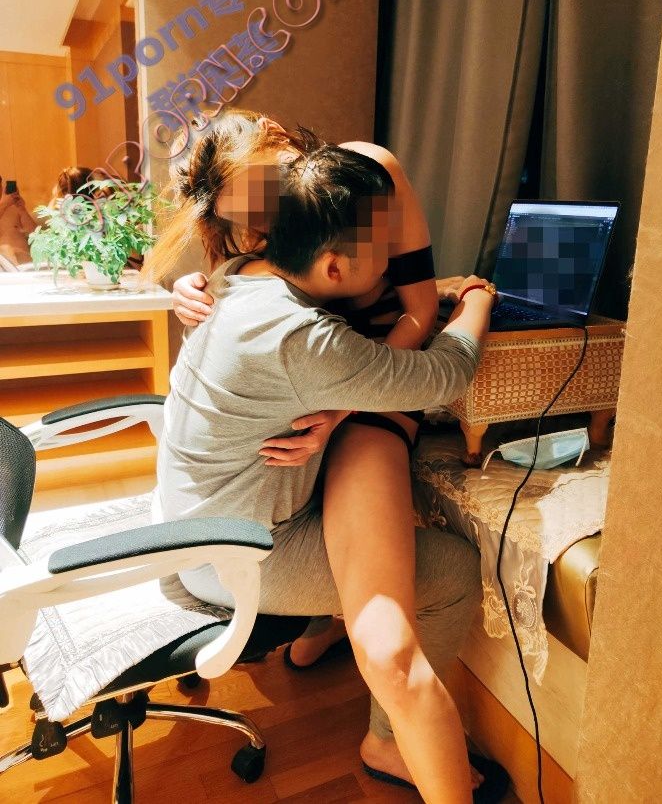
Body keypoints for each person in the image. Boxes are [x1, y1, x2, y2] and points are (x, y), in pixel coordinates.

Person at [145, 113, 509, 803]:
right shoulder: (287, 318)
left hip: (242, 483)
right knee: (442, 579)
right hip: (243, 539)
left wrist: (343, 403)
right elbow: (445, 373)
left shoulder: (287, 246)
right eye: (254, 227)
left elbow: (408, 311)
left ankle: (332, 634)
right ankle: (385, 733)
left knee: (373, 574)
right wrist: (476, 303)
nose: (269, 231)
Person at [0, 176, 38, 266]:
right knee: (6, 246)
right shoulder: (5, 204)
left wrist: (22, 210)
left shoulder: (14, 208)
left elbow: (36, 235)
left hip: (23, 260)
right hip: (3, 262)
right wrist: (3, 205)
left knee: (11, 236)